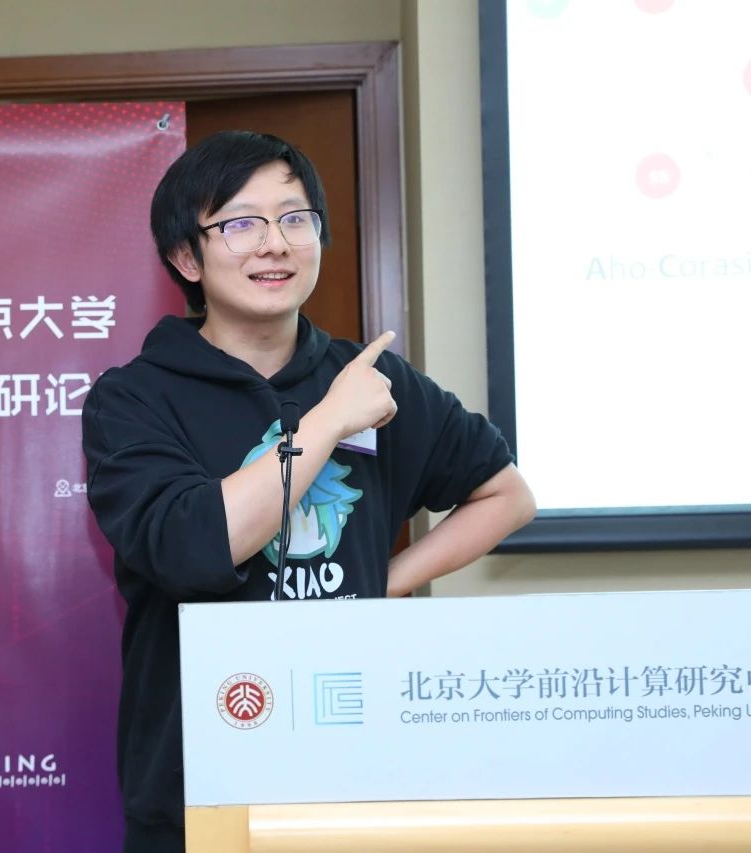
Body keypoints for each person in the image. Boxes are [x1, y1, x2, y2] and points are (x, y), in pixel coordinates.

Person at [81, 131, 535, 852]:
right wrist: (327, 422)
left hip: (355, 768)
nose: (275, 244)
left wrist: (381, 583)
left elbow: (506, 495)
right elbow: (194, 548)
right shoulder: (134, 398)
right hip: (196, 780)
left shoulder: (372, 378)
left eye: (296, 219)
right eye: (241, 224)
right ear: (186, 257)